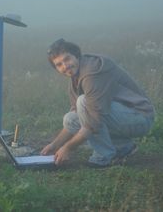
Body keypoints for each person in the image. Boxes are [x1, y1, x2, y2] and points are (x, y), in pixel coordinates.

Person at [40, 38, 155, 168]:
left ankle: (104, 157)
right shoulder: (75, 77)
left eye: (67, 59)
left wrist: (68, 148)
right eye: (59, 64)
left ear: (76, 55)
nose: (65, 66)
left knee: (83, 102)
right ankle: (122, 146)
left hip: (139, 117)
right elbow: (79, 115)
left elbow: (93, 123)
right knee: (71, 119)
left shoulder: (92, 72)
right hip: (121, 116)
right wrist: (55, 145)